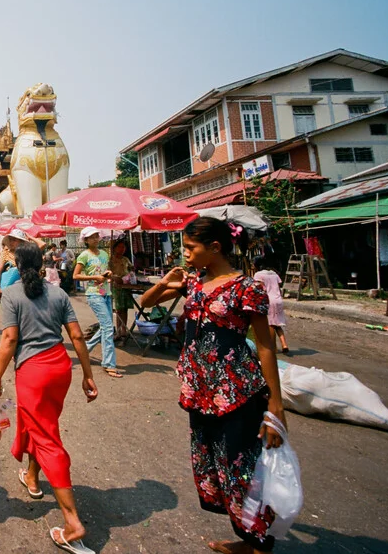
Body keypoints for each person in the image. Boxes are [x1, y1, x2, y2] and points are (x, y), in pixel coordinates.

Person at [140, 217, 286, 554]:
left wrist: (275, 403)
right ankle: (249, 540)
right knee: (216, 465)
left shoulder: (246, 288)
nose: (185, 254)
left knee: (240, 468)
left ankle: (260, 544)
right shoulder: (193, 283)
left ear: (215, 248)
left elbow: (265, 345)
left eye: (191, 248)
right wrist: (165, 282)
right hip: (200, 390)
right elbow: (147, 303)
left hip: (237, 390)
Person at [0, 244, 98, 553]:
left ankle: (73, 523)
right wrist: (88, 375)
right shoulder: (58, 293)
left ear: (17, 265)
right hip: (60, 368)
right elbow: (77, 336)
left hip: (33, 372)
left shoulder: (12, 294)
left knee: (47, 438)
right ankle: (33, 478)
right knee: (41, 422)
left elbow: (9, 339)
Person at [74, 227, 122, 379]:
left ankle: (85, 349)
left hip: (106, 293)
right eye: (91, 237)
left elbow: (104, 270)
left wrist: (109, 275)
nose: (95, 238)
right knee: (108, 327)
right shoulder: (84, 255)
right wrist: (94, 278)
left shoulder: (104, 254)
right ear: (86, 240)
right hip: (94, 294)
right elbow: (76, 275)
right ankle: (109, 364)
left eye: (96, 236)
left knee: (105, 326)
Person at [253, 257, 289, 354]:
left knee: (270, 325)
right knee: (277, 324)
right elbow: (278, 286)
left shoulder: (258, 275)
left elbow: (258, 288)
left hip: (268, 300)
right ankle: (284, 345)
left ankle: (273, 347)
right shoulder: (274, 273)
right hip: (278, 300)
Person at [109, 239, 135, 343]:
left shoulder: (125, 259)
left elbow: (131, 269)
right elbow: (107, 272)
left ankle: (124, 329)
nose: (122, 249)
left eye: (123, 247)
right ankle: (118, 330)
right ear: (114, 248)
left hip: (126, 286)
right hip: (115, 286)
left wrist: (131, 274)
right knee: (119, 309)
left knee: (125, 309)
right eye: (119, 247)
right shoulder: (110, 260)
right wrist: (114, 277)